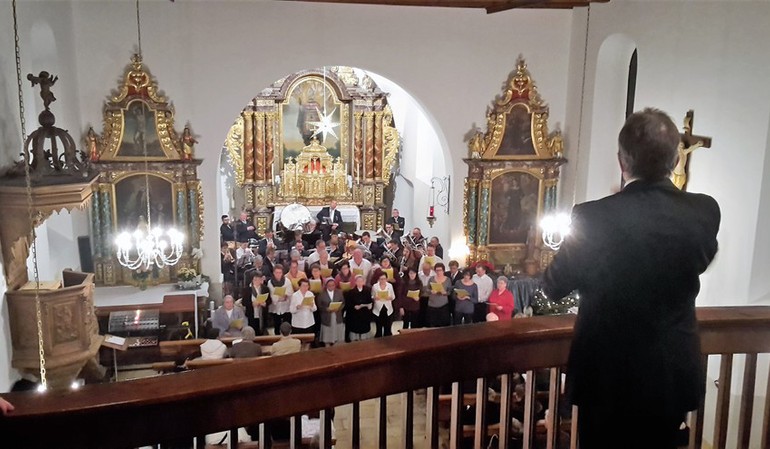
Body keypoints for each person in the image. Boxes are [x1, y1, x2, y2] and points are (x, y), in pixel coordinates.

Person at [543, 108, 720, 449]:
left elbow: (554, 285)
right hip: (670, 376)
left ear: (622, 161)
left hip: (607, 379)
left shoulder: (592, 217)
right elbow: (701, 258)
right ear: (674, 160)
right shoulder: (705, 211)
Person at [317, 278, 345, 346]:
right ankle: (327, 344)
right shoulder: (321, 294)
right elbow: (319, 305)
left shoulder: (339, 292)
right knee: (328, 332)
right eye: (329, 285)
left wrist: (338, 308)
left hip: (337, 315)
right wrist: (326, 309)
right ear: (326, 286)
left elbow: (343, 303)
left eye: (333, 285)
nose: (331, 287)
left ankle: (336, 343)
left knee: (337, 331)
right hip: (327, 316)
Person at [344, 275, 373, 341]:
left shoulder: (367, 291)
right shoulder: (351, 292)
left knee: (364, 332)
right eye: (358, 281)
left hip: (364, 314)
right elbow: (348, 303)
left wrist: (369, 306)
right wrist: (354, 306)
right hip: (355, 315)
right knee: (355, 330)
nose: (360, 283)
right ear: (355, 282)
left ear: (363, 282)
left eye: (361, 281)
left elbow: (370, 301)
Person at [268, 265, 294, 336]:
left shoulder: (287, 281)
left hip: (286, 306)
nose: (278, 274)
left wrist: (285, 295)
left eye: (280, 272)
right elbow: (271, 294)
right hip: (275, 307)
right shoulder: (270, 282)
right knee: (277, 325)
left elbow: (290, 292)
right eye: (276, 272)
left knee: (287, 324)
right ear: (273, 273)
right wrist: (278, 298)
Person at [426, 263, 452, 327]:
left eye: (440, 270)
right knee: (432, 323)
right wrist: (431, 291)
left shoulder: (448, 280)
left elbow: (450, 291)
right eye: (437, 270)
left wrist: (445, 292)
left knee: (443, 323)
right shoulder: (431, 279)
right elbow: (427, 289)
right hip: (432, 304)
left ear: (443, 271)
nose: (438, 272)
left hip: (443, 305)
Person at [371, 272, 396, 337]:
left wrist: (390, 298)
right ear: (378, 279)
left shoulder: (390, 286)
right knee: (378, 328)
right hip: (378, 309)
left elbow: (393, 296)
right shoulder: (375, 286)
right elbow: (372, 296)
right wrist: (375, 298)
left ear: (386, 279)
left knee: (387, 328)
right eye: (381, 279)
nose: (382, 280)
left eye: (384, 279)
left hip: (388, 309)